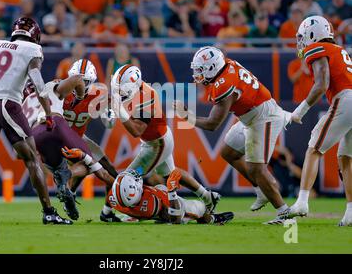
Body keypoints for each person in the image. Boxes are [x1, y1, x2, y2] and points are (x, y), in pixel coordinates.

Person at [0, 17, 70, 225]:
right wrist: (49, 113)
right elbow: (38, 82)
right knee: (32, 159)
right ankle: (49, 212)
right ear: (34, 34)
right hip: (9, 105)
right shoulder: (32, 50)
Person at [174, 46, 291, 224]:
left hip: (264, 117)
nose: (197, 74)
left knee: (256, 168)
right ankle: (261, 189)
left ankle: (284, 213)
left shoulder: (224, 84)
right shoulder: (225, 66)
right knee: (228, 152)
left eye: (200, 70)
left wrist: (186, 117)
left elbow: (213, 124)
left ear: (212, 67)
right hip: (249, 116)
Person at [110, 64, 221, 212]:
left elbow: (136, 131)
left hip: (157, 144)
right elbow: (111, 119)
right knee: (171, 173)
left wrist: (119, 112)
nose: (119, 91)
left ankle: (114, 212)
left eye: (121, 88)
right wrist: (111, 114)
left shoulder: (146, 97)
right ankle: (208, 196)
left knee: (128, 178)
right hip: (156, 139)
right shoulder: (132, 91)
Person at [284, 15, 352, 226]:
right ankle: (350, 213)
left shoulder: (318, 49)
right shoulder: (340, 50)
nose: (301, 41)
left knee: (314, 148)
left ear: (314, 34)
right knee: (345, 158)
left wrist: (300, 110)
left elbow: (322, 85)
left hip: (346, 100)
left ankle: (302, 201)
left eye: (303, 36)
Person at [22, 71, 115, 222]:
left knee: (42, 167)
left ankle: (50, 209)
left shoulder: (22, 105)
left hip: (37, 135)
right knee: (94, 167)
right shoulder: (53, 86)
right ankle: (124, 193)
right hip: (60, 128)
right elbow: (77, 80)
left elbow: (20, 148)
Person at [62, 59, 120, 222]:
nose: (79, 84)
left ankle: (107, 212)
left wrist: (109, 114)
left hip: (79, 138)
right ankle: (69, 190)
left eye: (84, 81)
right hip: (60, 138)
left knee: (111, 172)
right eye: (76, 79)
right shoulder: (61, 90)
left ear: (91, 81)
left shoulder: (99, 93)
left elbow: (109, 122)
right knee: (89, 166)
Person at [109, 170, 234, 225]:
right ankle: (212, 218)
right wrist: (172, 191)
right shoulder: (152, 204)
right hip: (175, 209)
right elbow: (176, 219)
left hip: (141, 207)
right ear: (134, 191)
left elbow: (112, 191)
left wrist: (106, 212)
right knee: (199, 208)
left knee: (154, 177)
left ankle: (133, 217)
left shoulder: (115, 199)